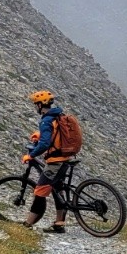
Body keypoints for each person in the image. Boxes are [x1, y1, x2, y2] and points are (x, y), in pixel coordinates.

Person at [22, 90, 74, 232]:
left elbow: (45, 144)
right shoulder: (58, 115)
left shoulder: (46, 120)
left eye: (35, 104)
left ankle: (27, 224)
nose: (35, 107)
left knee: (40, 191)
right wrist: (40, 135)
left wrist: (31, 155)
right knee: (58, 189)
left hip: (56, 161)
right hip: (65, 158)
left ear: (40, 105)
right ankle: (59, 224)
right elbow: (55, 134)